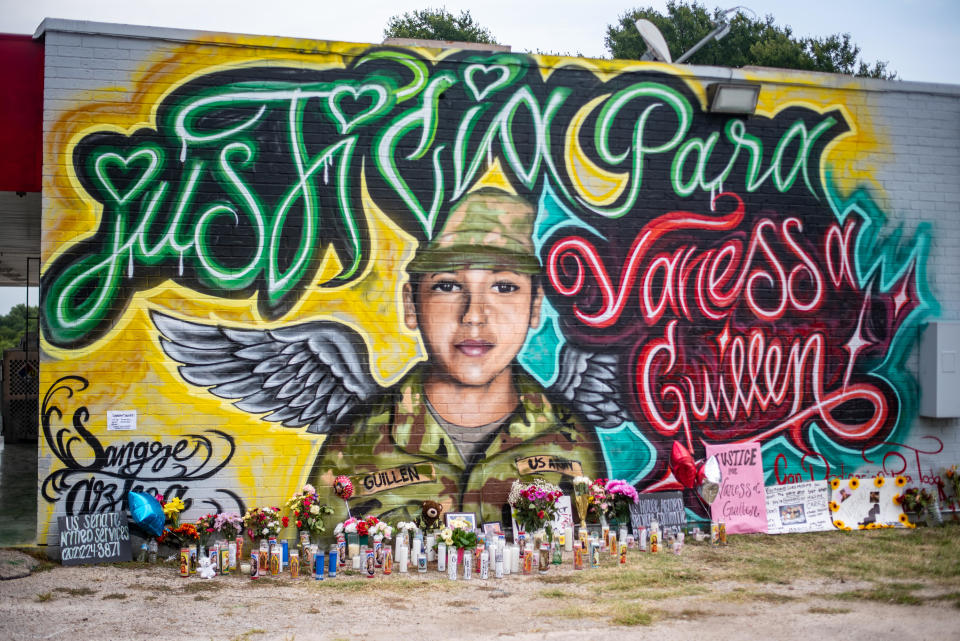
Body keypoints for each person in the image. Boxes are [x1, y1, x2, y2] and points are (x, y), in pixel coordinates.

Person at [310, 188, 606, 524]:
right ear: (411, 305)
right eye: (448, 286)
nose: (474, 315)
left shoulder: (572, 440)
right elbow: (319, 554)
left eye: (504, 287)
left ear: (535, 306)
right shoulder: (356, 443)